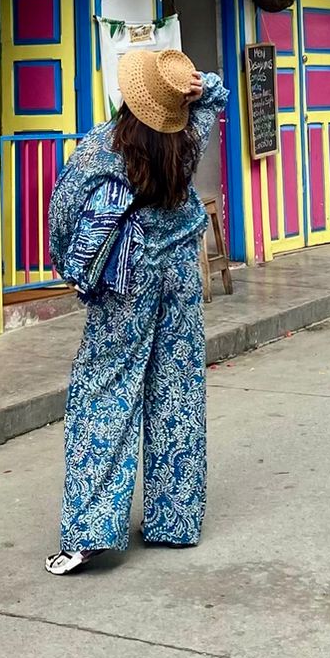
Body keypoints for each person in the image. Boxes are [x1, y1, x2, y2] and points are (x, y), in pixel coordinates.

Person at [45, 47, 228, 575]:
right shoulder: (188, 139)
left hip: (126, 284)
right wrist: (197, 87)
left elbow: (63, 220)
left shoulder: (100, 150)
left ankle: (92, 529)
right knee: (177, 391)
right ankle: (176, 520)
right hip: (178, 275)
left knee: (104, 393)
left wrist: (76, 268)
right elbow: (217, 94)